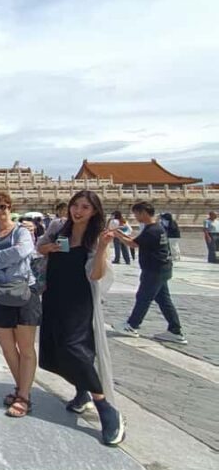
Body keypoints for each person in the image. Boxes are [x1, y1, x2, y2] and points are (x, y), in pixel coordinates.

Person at [37, 191, 126, 446]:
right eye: (75, 205)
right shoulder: (58, 227)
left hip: (78, 299)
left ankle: (105, 406)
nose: (77, 211)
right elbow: (39, 248)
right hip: (54, 294)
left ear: (94, 211)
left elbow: (97, 274)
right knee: (56, 348)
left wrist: (103, 248)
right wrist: (50, 247)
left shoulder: (96, 238)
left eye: (85, 207)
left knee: (73, 346)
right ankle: (81, 392)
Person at [0, 191, 40, 418]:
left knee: (25, 348)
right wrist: (9, 256)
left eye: (3, 207)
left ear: (9, 208)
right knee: (7, 348)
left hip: (24, 293)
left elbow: (24, 250)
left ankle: (23, 396)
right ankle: (23, 390)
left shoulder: (22, 231)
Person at [114, 201, 187, 344]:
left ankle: (132, 325)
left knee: (143, 297)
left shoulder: (151, 230)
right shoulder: (157, 228)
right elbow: (136, 240)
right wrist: (119, 233)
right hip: (162, 269)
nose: (135, 217)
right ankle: (175, 330)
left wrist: (117, 236)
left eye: (136, 213)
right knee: (164, 300)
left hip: (154, 270)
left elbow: (133, 244)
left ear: (143, 212)